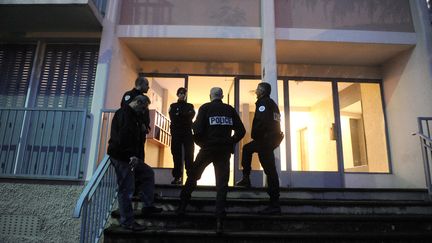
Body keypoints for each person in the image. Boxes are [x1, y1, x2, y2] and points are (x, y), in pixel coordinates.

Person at [176, 87, 245, 233]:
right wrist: (230, 141)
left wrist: (202, 143)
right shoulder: (229, 109)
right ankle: (219, 220)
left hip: (208, 149)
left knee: (193, 176)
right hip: (224, 151)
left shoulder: (206, 108)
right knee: (222, 184)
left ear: (210, 96)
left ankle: (182, 207)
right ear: (221, 96)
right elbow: (241, 130)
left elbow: (197, 129)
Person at [108, 95, 161, 231]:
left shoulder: (134, 116)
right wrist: (130, 155)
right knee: (126, 189)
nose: (143, 111)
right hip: (122, 156)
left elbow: (134, 136)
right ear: (137, 102)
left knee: (147, 173)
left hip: (131, 157)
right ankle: (127, 221)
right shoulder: (125, 114)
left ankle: (148, 206)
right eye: (143, 107)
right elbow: (123, 137)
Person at [235, 82, 283, 215]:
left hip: (264, 141)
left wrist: (256, 135)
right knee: (248, 150)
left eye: (257, 89)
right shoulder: (273, 104)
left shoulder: (263, 103)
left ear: (262, 91)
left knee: (270, 171)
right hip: (270, 141)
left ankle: (274, 203)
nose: (255, 91)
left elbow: (261, 122)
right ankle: (247, 179)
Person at [168, 87, 195, 185]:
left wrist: (179, 114)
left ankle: (190, 177)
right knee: (176, 155)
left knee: (189, 154)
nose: (182, 95)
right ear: (177, 94)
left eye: (184, 93)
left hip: (187, 133)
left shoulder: (190, 106)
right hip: (176, 133)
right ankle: (177, 177)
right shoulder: (173, 105)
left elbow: (190, 116)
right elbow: (173, 118)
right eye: (180, 93)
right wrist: (184, 115)